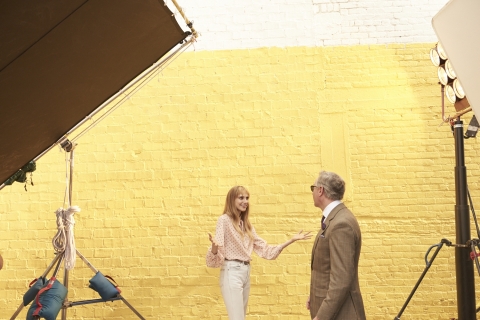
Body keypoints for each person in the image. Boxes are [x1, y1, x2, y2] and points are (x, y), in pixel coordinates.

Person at [206, 185, 312, 320]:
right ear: (232, 200)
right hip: (231, 272)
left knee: (240, 317)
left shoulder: (247, 225)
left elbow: (265, 250)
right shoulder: (224, 220)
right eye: (241, 198)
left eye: (247, 198)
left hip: (245, 272)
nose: (245, 201)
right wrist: (214, 248)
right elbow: (217, 252)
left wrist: (290, 241)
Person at [307, 171, 366, 320]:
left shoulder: (341, 224)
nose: (312, 192)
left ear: (320, 190)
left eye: (313, 188)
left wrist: (322, 316)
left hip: (341, 313)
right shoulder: (334, 219)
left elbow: (341, 279)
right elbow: (325, 268)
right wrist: (314, 297)